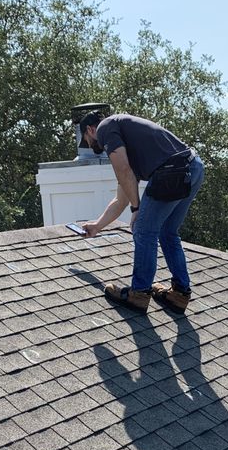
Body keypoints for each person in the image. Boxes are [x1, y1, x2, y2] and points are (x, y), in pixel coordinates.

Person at [79, 112, 205, 314]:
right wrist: (97, 226)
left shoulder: (104, 127)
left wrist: (136, 210)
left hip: (173, 171)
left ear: (90, 130)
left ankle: (139, 294)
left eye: (88, 141)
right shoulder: (132, 143)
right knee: (167, 231)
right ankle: (180, 294)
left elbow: (123, 170)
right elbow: (122, 198)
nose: (94, 146)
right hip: (193, 167)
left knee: (143, 231)